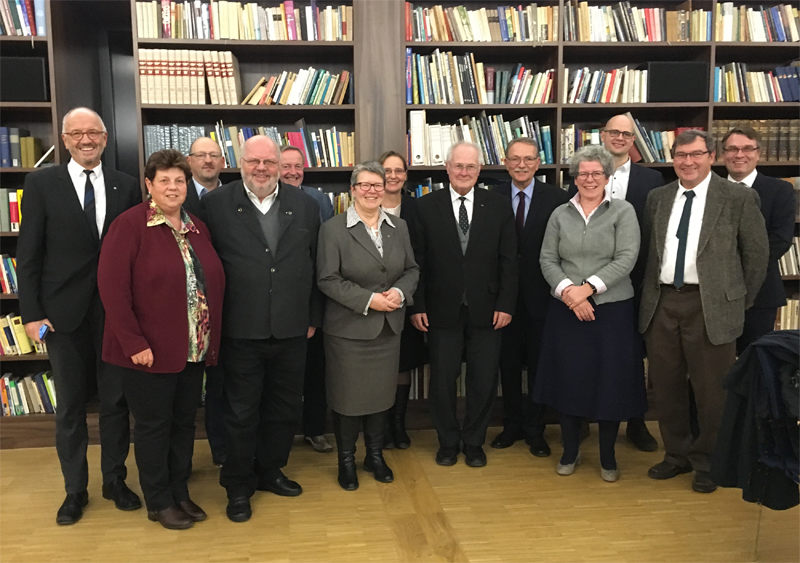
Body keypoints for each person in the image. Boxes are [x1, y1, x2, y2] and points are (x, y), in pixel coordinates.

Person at [16, 107, 142, 525]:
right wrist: (31, 314)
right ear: (65, 140)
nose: (86, 140)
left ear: (105, 138)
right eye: (76, 134)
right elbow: (28, 254)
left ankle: (114, 480)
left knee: (116, 403)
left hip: (114, 314)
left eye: (93, 133)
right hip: (61, 315)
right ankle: (75, 490)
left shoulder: (126, 185)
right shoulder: (40, 183)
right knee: (69, 407)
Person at [97, 149, 225, 529]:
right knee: (154, 427)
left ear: (188, 186)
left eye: (179, 181)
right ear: (149, 185)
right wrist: (134, 343)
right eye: (164, 181)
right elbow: (112, 289)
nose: (173, 187)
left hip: (191, 349)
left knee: (184, 423)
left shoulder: (197, 226)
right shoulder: (130, 225)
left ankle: (178, 490)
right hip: (148, 353)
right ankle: (158, 499)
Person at [639, 130, 769, 493]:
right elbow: (651, 252)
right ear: (673, 158)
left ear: (711, 156)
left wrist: (734, 301)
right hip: (663, 302)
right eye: (681, 155)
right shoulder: (658, 197)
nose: (688, 162)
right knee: (666, 387)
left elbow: (756, 258)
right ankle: (676, 455)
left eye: (696, 154)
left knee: (712, 392)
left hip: (711, 306)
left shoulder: (738, 198)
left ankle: (708, 462)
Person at [201, 135, 322, 522]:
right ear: (239, 163)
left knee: (284, 408)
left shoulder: (304, 205)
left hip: (291, 327)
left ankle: (271, 470)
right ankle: (238, 485)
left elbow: (314, 264)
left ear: (279, 164)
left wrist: (312, 317)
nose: (262, 169)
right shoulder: (215, 205)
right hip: (240, 328)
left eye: (269, 162)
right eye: (254, 162)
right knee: (240, 412)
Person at [533, 145, 645, 482]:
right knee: (569, 380)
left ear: (608, 178)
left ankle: (608, 455)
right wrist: (570, 292)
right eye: (583, 173)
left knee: (609, 383)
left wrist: (589, 289)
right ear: (575, 178)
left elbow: (627, 258)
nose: (590, 179)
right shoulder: (560, 214)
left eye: (597, 173)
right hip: (567, 311)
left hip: (611, 312)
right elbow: (547, 259)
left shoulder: (622, 212)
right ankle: (570, 450)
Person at [410, 141, 518, 468]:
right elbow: (418, 262)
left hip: (488, 310)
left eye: (471, 167)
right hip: (441, 311)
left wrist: (506, 304)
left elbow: (509, 260)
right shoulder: (425, 207)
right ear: (447, 168)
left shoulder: (497, 206)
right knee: (442, 380)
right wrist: (417, 306)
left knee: (483, 380)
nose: (464, 172)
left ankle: (473, 442)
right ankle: (447, 442)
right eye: (458, 166)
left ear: (479, 170)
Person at [316, 161, 419, 490]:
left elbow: (412, 269)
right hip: (348, 331)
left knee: (380, 397)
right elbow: (327, 279)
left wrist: (401, 292)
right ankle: (345, 460)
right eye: (365, 185)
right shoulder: (333, 229)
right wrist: (369, 300)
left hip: (388, 330)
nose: (373, 190)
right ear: (353, 190)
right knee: (347, 398)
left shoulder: (398, 227)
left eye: (378, 184)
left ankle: (374, 455)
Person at [566, 114, 664, 452]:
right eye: (614, 132)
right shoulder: (582, 174)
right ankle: (579, 420)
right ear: (603, 136)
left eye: (627, 133)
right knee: (585, 354)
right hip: (587, 287)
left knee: (630, 356)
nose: (620, 138)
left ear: (633, 139)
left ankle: (635, 422)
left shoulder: (651, 180)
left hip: (636, 282)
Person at [490, 137, 569, 456]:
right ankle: (511, 425)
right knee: (506, 365)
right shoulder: (491, 198)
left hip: (544, 297)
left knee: (539, 365)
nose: (521, 165)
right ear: (505, 163)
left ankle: (536, 430)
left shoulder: (559, 199)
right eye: (514, 159)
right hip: (502, 299)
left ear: (539, 163)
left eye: (528, 159)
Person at [279, 144, 335, 454]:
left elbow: (324, 252)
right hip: (279, 302)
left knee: (315, 371)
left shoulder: (319, 200)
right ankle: (282, 434)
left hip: (313, 299)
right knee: (284, 377)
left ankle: (315, 430)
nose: (292, 171)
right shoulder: (267, 200)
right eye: (285, 165)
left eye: (297, 165)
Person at [721, 127, 796, 353]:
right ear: (723, 154)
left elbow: (780, 239)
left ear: (758, 153)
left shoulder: (780, 190)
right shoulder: (710, 189)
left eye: (747, 149)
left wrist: (735, 268)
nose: (739, 155)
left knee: (754, 361)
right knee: (713, 364)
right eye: (732, 149)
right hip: (714, 293)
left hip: (761, 293)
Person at [377, 150, 427, 450]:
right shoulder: (364, 204)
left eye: (398, 171)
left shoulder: (417, 209)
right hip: (373, 300)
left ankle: (398, 423)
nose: (392, 176)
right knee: (377, 363)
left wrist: (415, 302)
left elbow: (423, 258)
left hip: (407, 300)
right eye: (387, 170)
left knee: (402, 363)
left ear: (406, 175)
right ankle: (379, 425)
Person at [184, 136, 227, 467]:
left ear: (224, 161)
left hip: (232, 304)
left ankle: (222, 449)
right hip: (187, 307)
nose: (208, 161)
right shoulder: (176, 196)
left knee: (224, 382)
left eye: (214, 155)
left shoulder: (237, 197)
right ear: (189, 161)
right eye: (201, 155)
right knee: (186, 385)